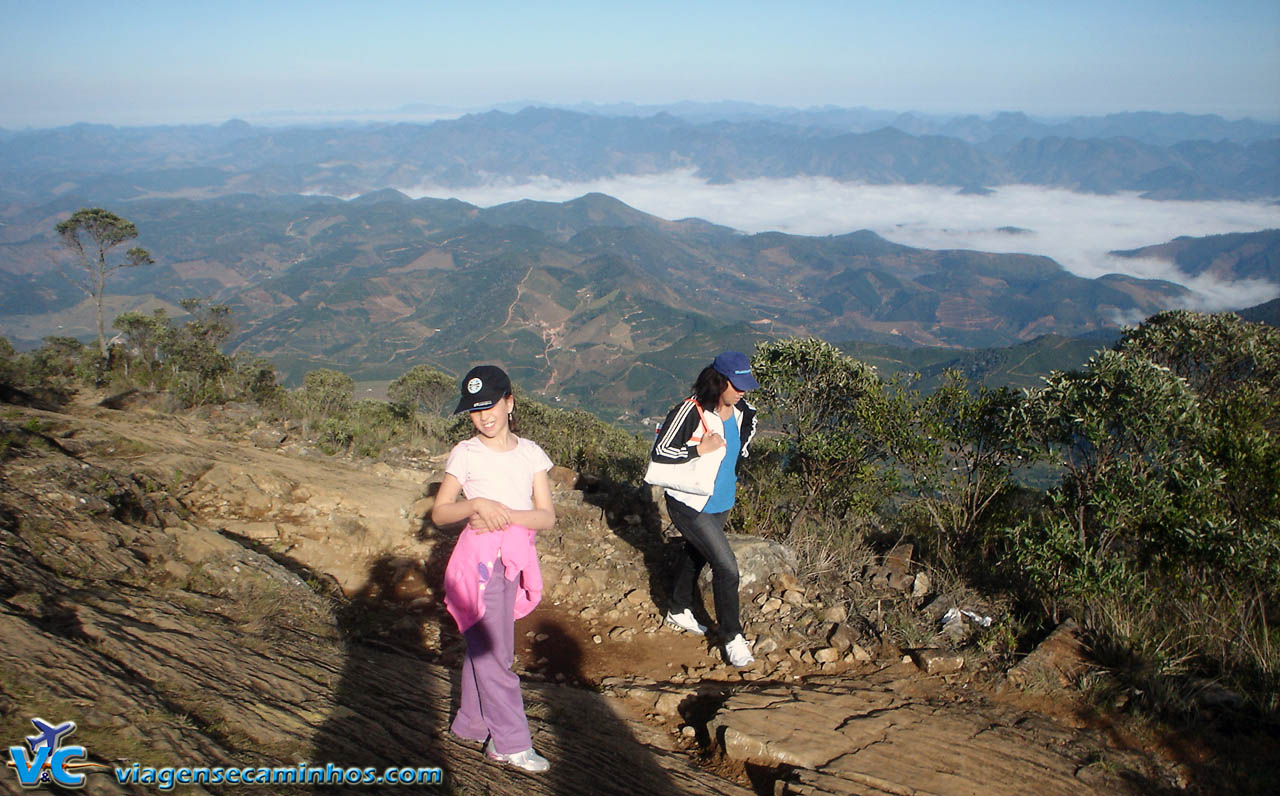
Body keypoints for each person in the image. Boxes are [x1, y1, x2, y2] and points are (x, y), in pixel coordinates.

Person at [431, 365, 556, 773]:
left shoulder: (530, 453)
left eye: (491, 406)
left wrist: (502, 514)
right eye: (475, 410)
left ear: (509, 403)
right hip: (477, 566)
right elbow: (441, 512)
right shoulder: (465, 453)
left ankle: (471, 723)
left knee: (492, 649)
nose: (484, 416)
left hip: (512, 563)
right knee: (494, 655)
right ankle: (510, 743)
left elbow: (546, 517)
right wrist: (475, 505)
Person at [649, 351, 760, 667]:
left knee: (695, 553)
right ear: (720, 381)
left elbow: (741, 453)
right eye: (737, 386)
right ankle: (732, 637)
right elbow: (662, 451)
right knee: (727, 568)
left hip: (722, 501)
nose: (742, 392)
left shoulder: (744, 413)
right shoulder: (691, 410)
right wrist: (699, 448)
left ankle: (677, 608)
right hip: (689, 502)